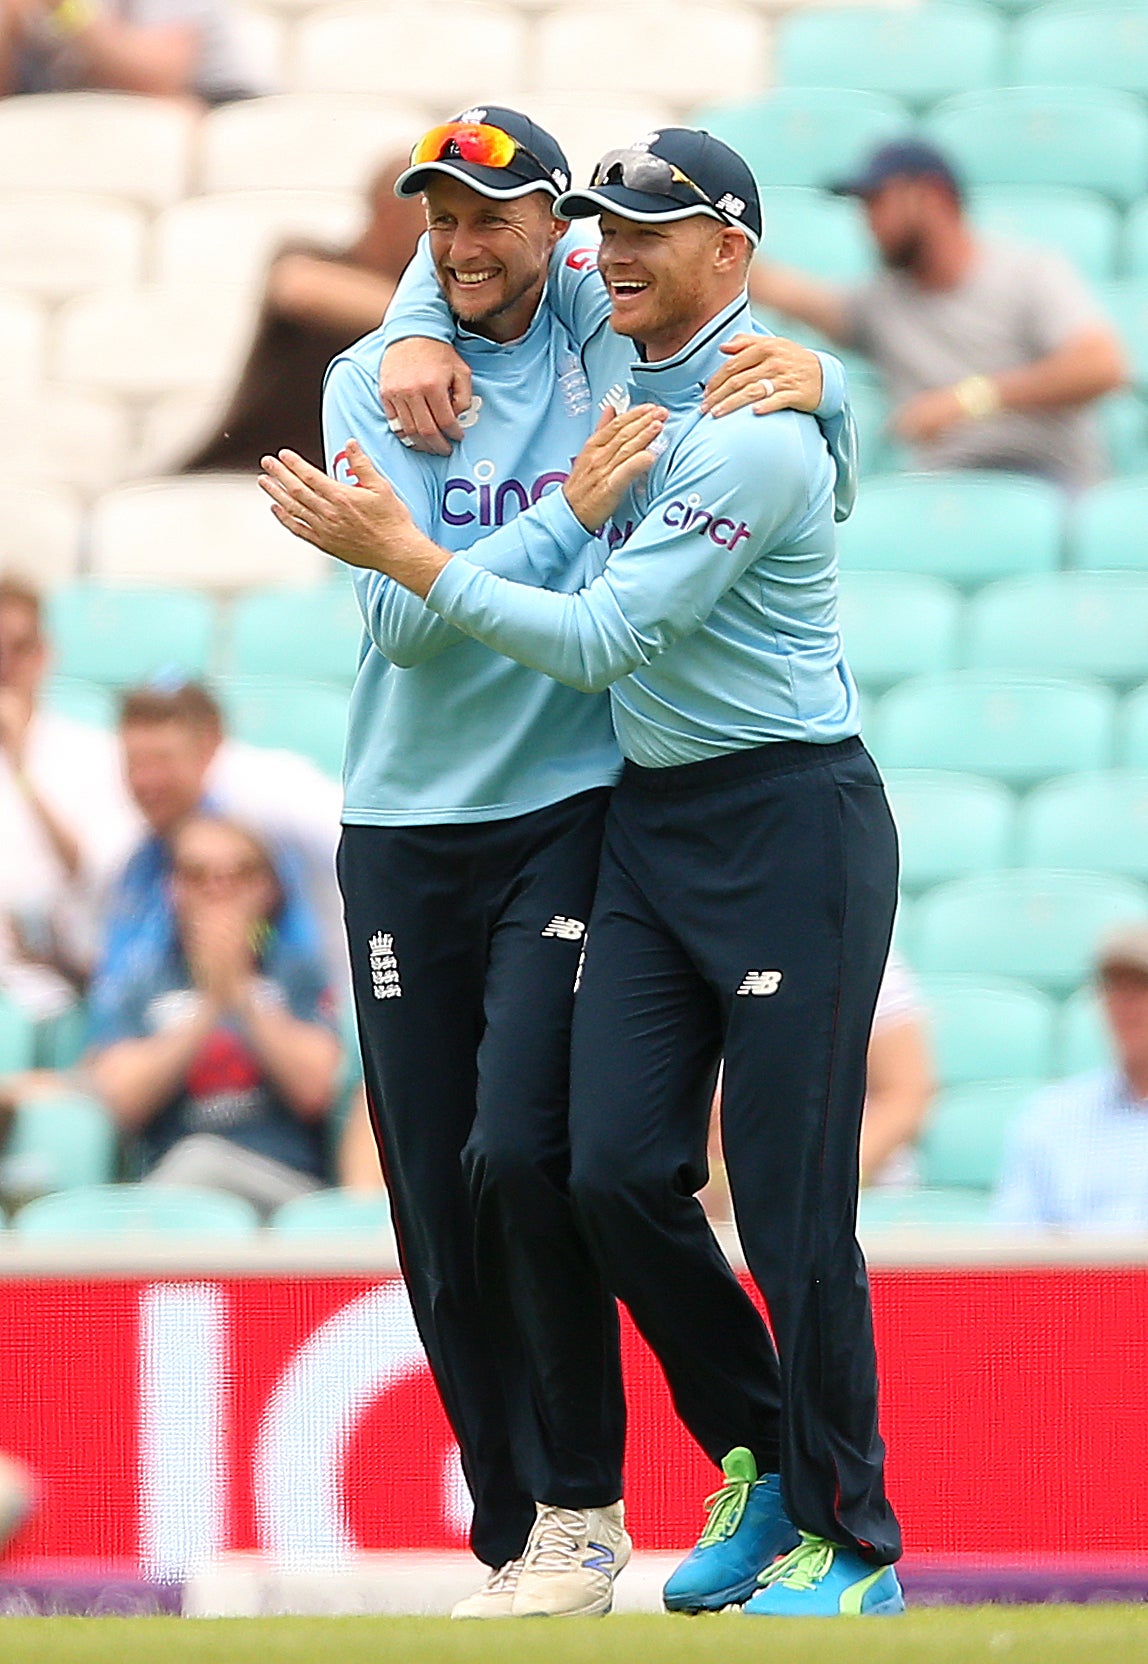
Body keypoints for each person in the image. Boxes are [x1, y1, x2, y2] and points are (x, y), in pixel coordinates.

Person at [261, 126, 904, 1619]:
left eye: (504, 214)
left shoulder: (600, 331)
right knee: (494, 1181)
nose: (472, 240)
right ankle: (606, 1505)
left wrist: (841, 383)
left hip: (621, 805)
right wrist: (422, 326)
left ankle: (807, 1528)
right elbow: (409, 628)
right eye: (440, 219)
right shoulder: (398, 362)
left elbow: (718, 439)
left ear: (549, 230)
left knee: (557, 1160)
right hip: (482, 819)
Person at [750, 138, 1126, 489]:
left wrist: (970, 399)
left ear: (930, 196)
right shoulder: (882, 303)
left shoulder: (1029, 273)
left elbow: (1101, 366)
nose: (867, 221)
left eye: (878, 201)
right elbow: (793, 294)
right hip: (942, 487)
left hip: (1049, 480)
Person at [87, 812, 341, 1211]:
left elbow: (318, 1089)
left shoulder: (298, 974)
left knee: (198, 1163)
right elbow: (122, 1101)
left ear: (269, 888)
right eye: (196, 874)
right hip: (174, 1184)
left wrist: (240, 990)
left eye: (240, 873)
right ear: (172, 888)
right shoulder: (142, 983)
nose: (218, 890)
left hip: (284, 1181)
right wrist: (209, 1005)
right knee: (194, 1163)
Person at [93, 680, 346, 1002]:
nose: (147, 781)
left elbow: (303, 998)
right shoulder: (135, 858)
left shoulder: (265, 831)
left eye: (162, 760)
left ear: (207, 749)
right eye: (135, 764)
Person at [180, 157, 426, 475]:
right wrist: (432, 320)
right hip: (243, 472)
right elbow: (298, 287)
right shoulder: (312, 256)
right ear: (388, 213)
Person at [0, 575, 138, 1023]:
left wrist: (21, 770)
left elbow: (96, 871)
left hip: (50, 976)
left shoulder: (91, 752)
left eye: (17, 648)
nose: (4, 665)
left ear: (43, 655)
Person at [995, 923, 1148, 1229]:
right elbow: (1012, 1252)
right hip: (1073, 1277)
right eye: (1115, 987)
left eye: (1143, 987)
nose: (1126, 1005)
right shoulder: (1051, 1116)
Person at [0, 0, 260, 101]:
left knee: (176, 110)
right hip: (89, 108)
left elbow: (157, 78)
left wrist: (66, 9)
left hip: (215, 103)